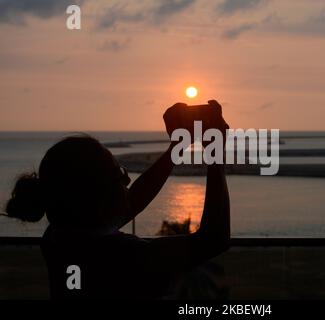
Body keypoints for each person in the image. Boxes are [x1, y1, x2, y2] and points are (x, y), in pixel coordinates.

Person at [5, 100, 230, 299]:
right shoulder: (123, 255)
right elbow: (213, 239)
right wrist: (216, 153)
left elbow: (129, 204)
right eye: (119, 174)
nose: (128, 179)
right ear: (98, 197)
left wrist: (178, 146)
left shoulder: (60, 236)